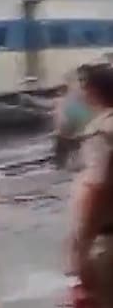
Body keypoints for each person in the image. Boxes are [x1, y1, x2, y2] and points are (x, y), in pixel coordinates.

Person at [69, 65, 113, 308]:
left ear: (93, 93)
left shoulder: (101, 134)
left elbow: (96, 189)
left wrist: (80, 251)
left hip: (107, 243)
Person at [54, 65, 97, 169]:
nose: (82, 83)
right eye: (80, 80)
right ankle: (62, 164)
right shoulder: (78, 95)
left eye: (85, 79)